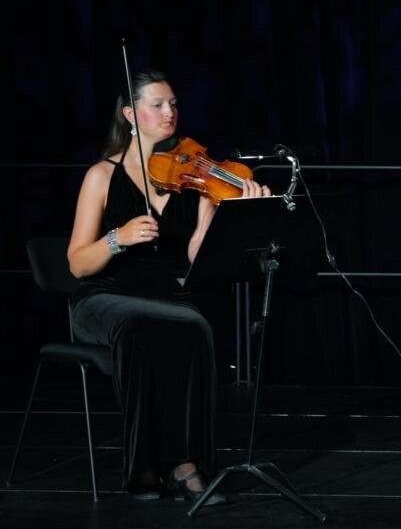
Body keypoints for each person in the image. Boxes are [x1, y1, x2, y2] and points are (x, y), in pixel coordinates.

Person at [67, 69, 270, 505]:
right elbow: (78, 264)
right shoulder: (101, 176)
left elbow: (199, 259)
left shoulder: (194, 179)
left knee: (194, 326)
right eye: (157, 104)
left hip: (169, 297)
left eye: (173, 103)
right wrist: (116, 238)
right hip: (104, 298)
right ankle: (146, 465)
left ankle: (185, 464)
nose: (169, 112)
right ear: (129, 114)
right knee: (143, 328)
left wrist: (228, 209)